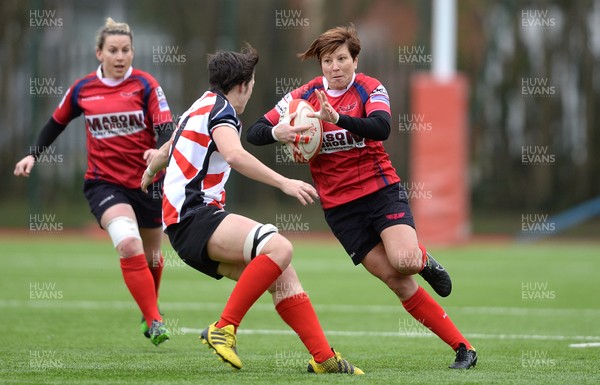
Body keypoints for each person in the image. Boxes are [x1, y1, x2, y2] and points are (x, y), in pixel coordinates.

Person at [246, 24, 478, 369]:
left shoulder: (370, 88)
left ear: (355, 60)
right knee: (397, 282)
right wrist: (279, 132)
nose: (334, 67)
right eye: (327, 61)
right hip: (341, 209)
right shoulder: (303, 98)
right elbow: (253, 132)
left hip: (380, 191)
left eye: (341, 59)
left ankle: (424, 259)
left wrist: (338, 118)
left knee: (405, 261)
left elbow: (381, 127)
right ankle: (464, 349)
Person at [141, 44, 363, 374]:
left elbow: (166, 150)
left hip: (184, 225)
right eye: (253, 83)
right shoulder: (223, 112)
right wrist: (284, 182)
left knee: (283, 276)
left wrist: (148, 173)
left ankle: (323, 358)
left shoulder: (198, 107)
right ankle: (224, 328)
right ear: (243, 85)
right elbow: (234, 154)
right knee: (279, 246)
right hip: (195, 217)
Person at [14, 18, 172, 346]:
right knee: (129, 243)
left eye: (125, 50)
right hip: (104, 184)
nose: (119, 56)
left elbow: (167, 128)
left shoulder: (146, 85)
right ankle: (155, 320)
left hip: (147, 181)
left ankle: (148, 309)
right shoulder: (83, 89)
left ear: (133, 52)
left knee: (154, 255)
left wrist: (159, 152)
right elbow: (55, 123)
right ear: (98, 53)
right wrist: (33, 155)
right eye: (112, 50)